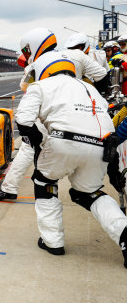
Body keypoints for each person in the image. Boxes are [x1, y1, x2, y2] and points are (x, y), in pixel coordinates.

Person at [15, 50, 127, 265]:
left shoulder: (40, 86)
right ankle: (124, 233)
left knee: (44, 181)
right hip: (101, 145)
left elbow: (24, 121)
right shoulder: (90, 89)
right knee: (88, 193)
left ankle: (53, 241)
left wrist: (41, 143)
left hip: (63, 140)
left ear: (43, 70)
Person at [0, 28, 108, 201]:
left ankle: (12, 188)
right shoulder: (79, 57)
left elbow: (25, 87)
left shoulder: (36, 64)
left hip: (48, 112)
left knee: (30, 151)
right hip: (80, 113)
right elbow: (103, 78)